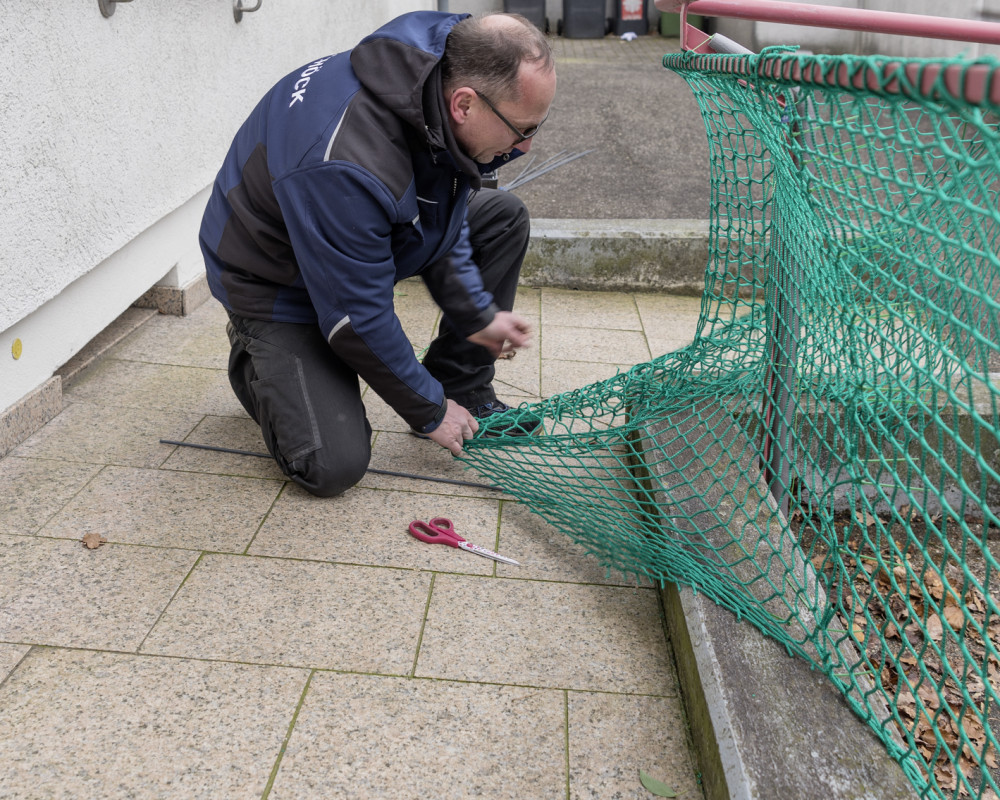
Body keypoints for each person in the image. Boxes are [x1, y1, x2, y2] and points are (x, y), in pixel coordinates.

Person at [198, 11, 556, 497]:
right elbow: (356, 317)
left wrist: (476, 316)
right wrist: (429, 412)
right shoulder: (344, 164)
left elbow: (441, 211)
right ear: (464, 105)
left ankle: (460, 383)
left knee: (500, 216)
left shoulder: (438, 68)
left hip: (346, 232)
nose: (528, 146)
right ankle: (257, 357)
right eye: (522, 129)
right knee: (331, 464)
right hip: (273, 281)